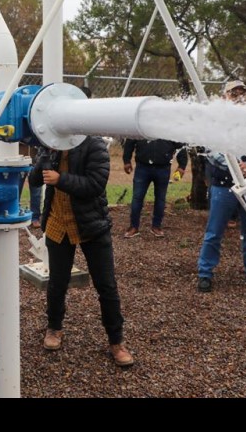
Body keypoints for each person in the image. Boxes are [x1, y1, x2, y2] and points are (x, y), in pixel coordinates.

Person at [29, 135, 134, 368]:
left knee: (106, 285)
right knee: (57, 282)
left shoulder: (94, 145)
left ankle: (116, 341)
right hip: (58, 224)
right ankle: (54, 328)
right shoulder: (52, 144)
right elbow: (34, 181)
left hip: (92, 225)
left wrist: (60, 179)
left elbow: (95, 184)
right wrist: (44, 155)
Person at [196, 80, 246, 294]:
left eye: (242, 93)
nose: (238, 97)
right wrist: (235, 167)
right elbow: (211, 151)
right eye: (234, 93)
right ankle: (205, 273)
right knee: (214, 232)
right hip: (224, 185)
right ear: (225, 96)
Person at [122, 137, 188, 238]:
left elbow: (180, 145)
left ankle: (156, 226)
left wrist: (182, 166)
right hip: (142, 167)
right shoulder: (142, 127)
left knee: (160, 199)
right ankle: (133, 227)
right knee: (137, 198)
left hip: (163, 168)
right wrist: (126, 161)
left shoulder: (169, 129)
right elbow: (130, 140)